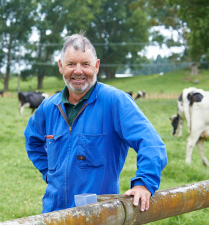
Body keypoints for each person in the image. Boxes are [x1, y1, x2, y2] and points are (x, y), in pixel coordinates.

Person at [24, 33, 167, 214]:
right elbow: (32, 140)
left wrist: (144, 183)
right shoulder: (49, 107)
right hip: (54, 212)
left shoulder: (115, 101)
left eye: (85, 64)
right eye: (71, 64)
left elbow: (151, 143)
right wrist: (49, 173)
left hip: (99, 215)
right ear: (61, 66)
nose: (78, 71)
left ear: (96, 66)